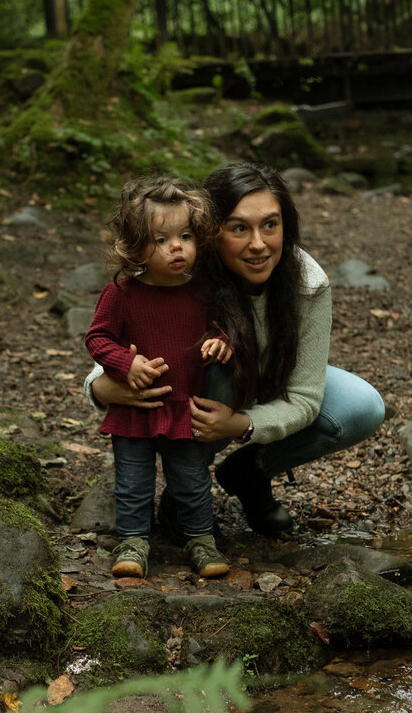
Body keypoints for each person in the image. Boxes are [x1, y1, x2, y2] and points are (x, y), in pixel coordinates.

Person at [86, 161, 385, 537]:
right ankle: (186, 491)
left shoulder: (307, 283)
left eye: (270, 225)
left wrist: (243, 425)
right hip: (195, 389)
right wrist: (102, 386)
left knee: (362, 406)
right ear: (211, 231)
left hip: (264, 385)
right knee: (217, 369)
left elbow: (306, 398)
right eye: (240, 228)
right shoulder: (182, 267)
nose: (258, 244)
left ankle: (249, 470)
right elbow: (116, 343)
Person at [85, 175, 234, 581]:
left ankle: (201, 539)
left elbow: (222, 328)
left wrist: (221, 342)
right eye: (160, 239)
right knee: (132, 481)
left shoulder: (203, 293)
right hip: (136, 409)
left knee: (191, 479)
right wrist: (123, 364)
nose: (176, 247)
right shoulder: (121, 294)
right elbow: (97, 338)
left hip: (183, 406)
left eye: (185, 235)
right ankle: (133, 540)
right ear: (135, 245)